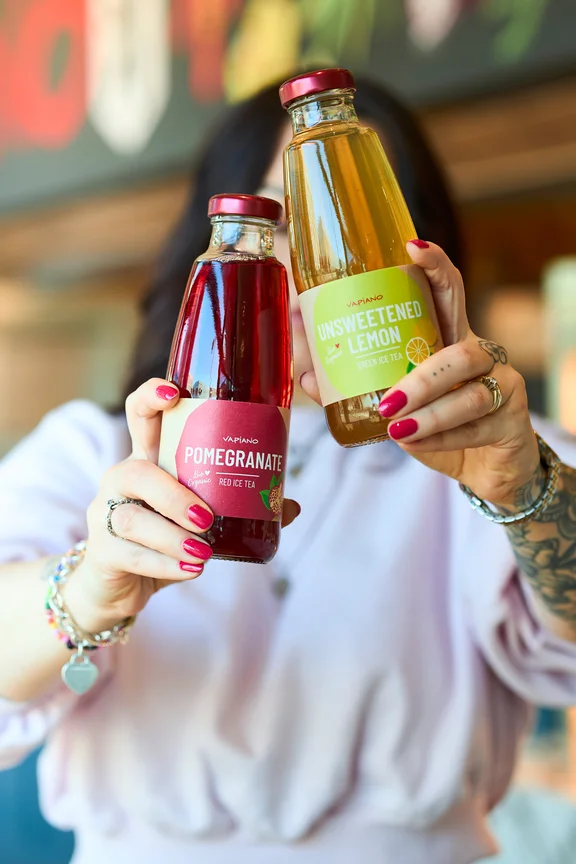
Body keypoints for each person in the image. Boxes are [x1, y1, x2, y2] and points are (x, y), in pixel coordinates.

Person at [0, 76, 576, 864]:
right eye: (281, 219)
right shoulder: (92, 449)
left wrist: (525, 489)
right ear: (217, 241)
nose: (318, 263)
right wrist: (89, 586)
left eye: (356, 223)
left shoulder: (505, 450)